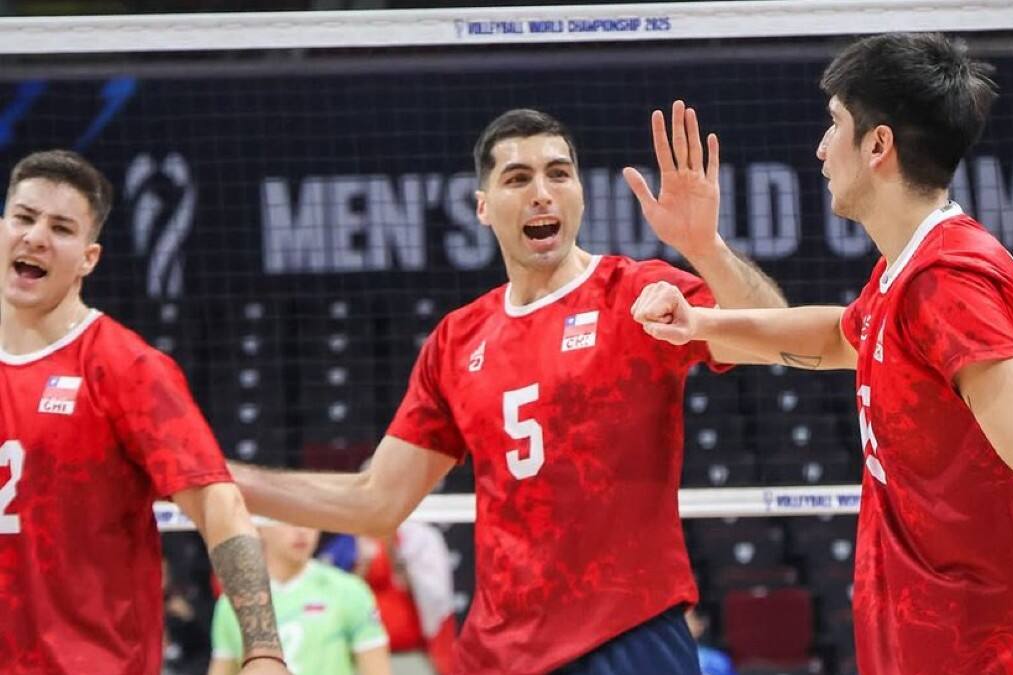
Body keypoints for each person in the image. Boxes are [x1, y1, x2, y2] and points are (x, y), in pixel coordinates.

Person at [629, 33, 1013, 673]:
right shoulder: (902, 276)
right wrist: (701, 321)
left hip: (1001, 650)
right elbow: (837, 338)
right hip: (930, 641)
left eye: (834, 125)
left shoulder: (951, 283)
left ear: (878, 144)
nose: (821, 148)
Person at [230, 102, 786, 674]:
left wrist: (706, 248)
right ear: (483, 207)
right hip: (500, 653)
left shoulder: (636, 293)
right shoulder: (456, 341)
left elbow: (776, 341)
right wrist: (226, 480)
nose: (541, 193)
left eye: (558, 174)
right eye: (517, 179)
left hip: (628, 633)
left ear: (579, 195)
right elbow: (377, 503)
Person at [0, 150, 288, 674]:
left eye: (61, 228)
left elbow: (220, 507)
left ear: (89, 258)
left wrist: (263, 649)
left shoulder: (126, 366)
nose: (36, 237)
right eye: (23, 217)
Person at [208, 523, 390, 675]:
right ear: (258, 524)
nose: (302, 530)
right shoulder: (233, 602)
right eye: (288, 520)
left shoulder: (349, 590)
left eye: (309, 520)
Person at [355, 522, 457, 674]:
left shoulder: (417, 538)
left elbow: (437, 599)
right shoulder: (351, 537)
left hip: (410, 653)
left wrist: (397, 558)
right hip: (363, 654)